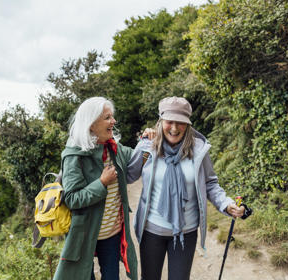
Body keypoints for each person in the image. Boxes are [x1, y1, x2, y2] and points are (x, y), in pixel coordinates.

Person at [127, 96, 244, 280]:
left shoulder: (199, 150)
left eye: (180, 122)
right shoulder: (147, 147)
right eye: (169, 121)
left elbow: (210, 183)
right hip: (151, 231)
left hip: (186, 232)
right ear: (160, 121)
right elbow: (127, 175)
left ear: (188, 124)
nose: (174, 128)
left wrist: (226, 204)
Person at [53, 97, 138, 280]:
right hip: (84, 234)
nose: (113, 121)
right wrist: (101, 183)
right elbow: (72, 199)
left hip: (111, 234)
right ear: (91, 124)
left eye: (112, 117)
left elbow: (138, 157)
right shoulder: (74, 156)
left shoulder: (113, 148)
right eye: (107, 117)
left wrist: (148, 141)